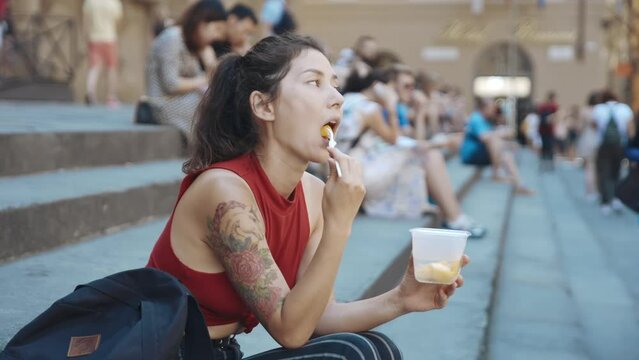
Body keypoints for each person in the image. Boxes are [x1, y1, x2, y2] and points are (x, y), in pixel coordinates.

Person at [147, 34, 469, 359]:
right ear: (264, 105)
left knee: (377, 347)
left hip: (224, 352)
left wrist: (401, 298)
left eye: (335, 83)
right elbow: (292, 330)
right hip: (169, 352)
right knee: (353, 354)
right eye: (314, 82)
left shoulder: (312, 191)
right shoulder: (225, 193)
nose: (337, 98)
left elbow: (319, 317)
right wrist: (340, 224)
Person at [338, 69, 486, 238]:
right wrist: (392, 105)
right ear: (379, 87)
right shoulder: (370, 108)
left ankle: (452, 213)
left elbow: (407, 139)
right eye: (406, 86)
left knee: (425, 154)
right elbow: (395, 139)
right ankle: (454, 216)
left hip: (349, 169)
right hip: (356, 172)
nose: (410, 91)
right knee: (430, 155)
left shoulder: (350, 99)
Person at [145, 0, 227, 143]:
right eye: (216, 29)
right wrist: (206, 78)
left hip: (181, 99)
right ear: (202, 23)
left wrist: (210, 64)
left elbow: (202, 79)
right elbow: (171, 84)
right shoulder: (172, 38)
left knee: (214, 95)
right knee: (206, 100)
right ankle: (210, 149)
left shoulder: (192, 45)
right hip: (161, 104)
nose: (217, 36)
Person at [460, 98, 534, 195]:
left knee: (506, 155)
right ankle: (496, 174)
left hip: (481, 151)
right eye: (491, 108)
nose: (493, 111)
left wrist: (508, 143)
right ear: (484, 108)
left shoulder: (485, 120)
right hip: (471, 154)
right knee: (495, 140)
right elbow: (484, 137)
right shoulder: (476, 118)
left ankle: (520, 185)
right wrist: (501, 132)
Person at [591, 89, 636, 215]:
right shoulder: (624, 109)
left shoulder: (598, 109)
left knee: (604, 172)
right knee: (616, 172)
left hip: (603, 145)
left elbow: (594, 126)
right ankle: (616, 198)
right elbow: (630, 130)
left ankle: (605, 201)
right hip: (619, 145)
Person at [82, 0, 122, 107]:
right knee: (111, 68)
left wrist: (86, 37)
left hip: (94, 37)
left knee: (94, 67)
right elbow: (117, 20)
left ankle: (90, 92)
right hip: (109, 37)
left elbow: (86, 21)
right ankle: (111, 97)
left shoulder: (90, 2)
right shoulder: (113, 2)